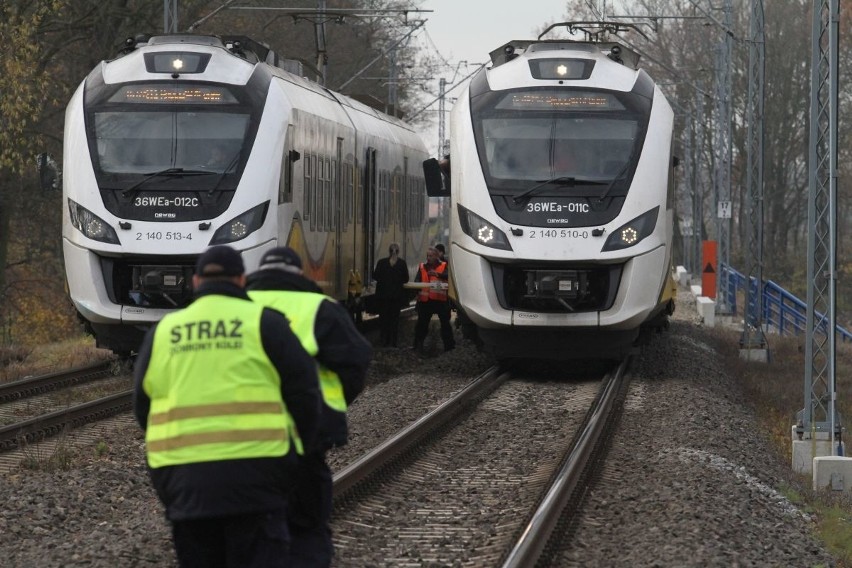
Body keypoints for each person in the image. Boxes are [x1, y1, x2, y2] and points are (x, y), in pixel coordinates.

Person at [132, 245, 322, 568]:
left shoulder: (163, 332)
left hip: (187, 488)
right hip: (258, 485)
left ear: (195, 282)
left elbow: (142, 408)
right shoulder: (267, 324)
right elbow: (306, 397)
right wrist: (293, 462)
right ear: (242, 279)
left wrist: (170, 482)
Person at [246, 246, 372, 568]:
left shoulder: (237, 308)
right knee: (306, 523)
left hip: (239, 438)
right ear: (299, 274)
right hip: (305, 436)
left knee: (248, 528)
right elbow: (355, 362)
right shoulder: (321, 307)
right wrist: (332, 403)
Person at [413, 246, 455, 353]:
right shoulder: (422, 267)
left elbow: (450, 276)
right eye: (427, 256)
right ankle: (418, 345)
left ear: (436, 256)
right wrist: (416, 291)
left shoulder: (444, 265)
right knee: (421, 324)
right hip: (426, 301)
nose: (428, 258)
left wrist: (438, 274)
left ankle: (449, 347)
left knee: (445, 324)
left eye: (431, 256)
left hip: (440, 301)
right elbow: (417, 280)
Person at [372, 243, 409, 347]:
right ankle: (393, 342)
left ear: (389, 251)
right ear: (398, 252)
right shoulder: (402, 263)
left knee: (384, 320)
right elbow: (406, 279)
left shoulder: (381, 263)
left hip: (383, 297)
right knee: (394, 320)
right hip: (396, 298)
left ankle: (384, 340)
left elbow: (375, 276)